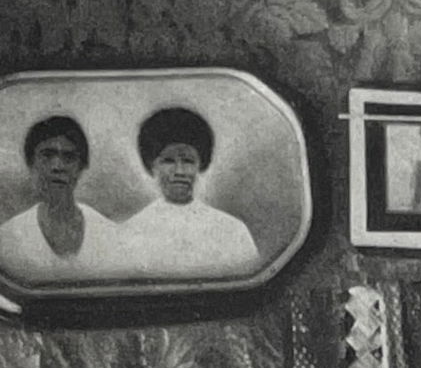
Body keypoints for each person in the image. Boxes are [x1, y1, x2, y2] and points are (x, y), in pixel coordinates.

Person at [120, 106, 259, 279]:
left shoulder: (232, 230)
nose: (179, 171)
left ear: (200, 165)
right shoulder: (131, 231)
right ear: (152, 165)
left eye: (187, 161)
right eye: (168, 161)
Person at [0, 115, 119, 281]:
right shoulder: (8, 237)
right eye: (47, 155)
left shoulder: (109, 233)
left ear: (81, 167)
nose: (57, 167)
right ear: (31, 162)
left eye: (69, 157)